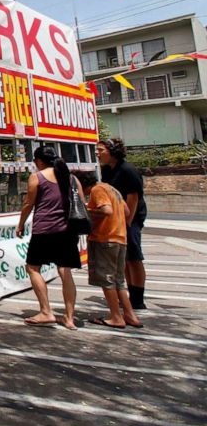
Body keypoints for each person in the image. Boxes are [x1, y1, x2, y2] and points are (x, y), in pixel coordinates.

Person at [16, 145, 84, 329]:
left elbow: (28, 204)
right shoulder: (71, 178)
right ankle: (69, 318)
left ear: (38, 161)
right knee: (65, 271)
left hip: (44, 230)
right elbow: (81, 203)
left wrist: (20, 225)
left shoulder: (36, 177)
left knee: (32, 268)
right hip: (67, 231)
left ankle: (46, 311)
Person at [76, 171, 143, 329]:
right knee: (118, 280)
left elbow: (107, 211)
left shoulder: (97, 190)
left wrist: (87, 210)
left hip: (105, 239)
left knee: (107, 280)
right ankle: (130, 315)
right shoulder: (113, 189)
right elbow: (126, 211)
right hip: (120, 238)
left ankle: (116, 317)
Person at [97, 138, 148, 309]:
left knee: (134, 257)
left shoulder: (128, 170)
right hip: (118, 218)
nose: (98, 154)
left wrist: (126, 222)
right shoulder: (107, 171)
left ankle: (138, 298)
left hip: (131, 219)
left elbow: (133, 198)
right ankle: (129, 295)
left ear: (112, 151)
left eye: (101, 150)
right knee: (124, 258)